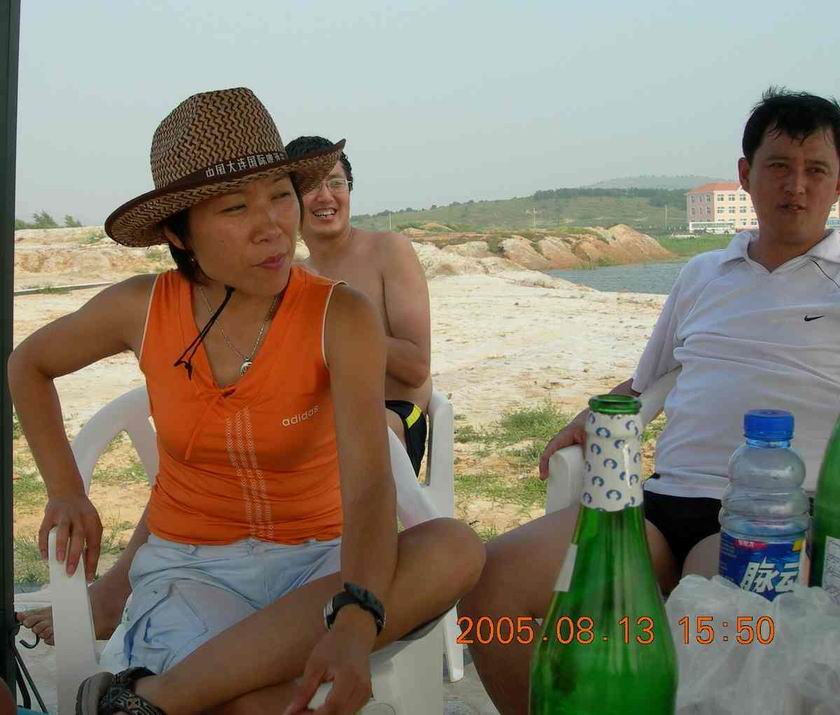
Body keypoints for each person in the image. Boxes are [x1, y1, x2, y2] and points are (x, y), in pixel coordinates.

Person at [9, 87, 484, 715]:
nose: (272, 227)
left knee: (455, 547)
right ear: (179, 232)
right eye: (236, 207)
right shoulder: (142, 308)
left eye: (281, 196)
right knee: (270, 705)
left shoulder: (340, 315)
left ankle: (144, 699)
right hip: (191, 568)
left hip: (321, 564)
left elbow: (370, 487)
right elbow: (28, 364)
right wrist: (66, 490)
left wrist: (356, 612)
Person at [459, 87, 840, 714]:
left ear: (837, 183)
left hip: (771, 516)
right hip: (657, 507)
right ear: (746, 175)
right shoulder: (702, 275)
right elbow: (645, 383)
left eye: (816, 169)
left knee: (714, 621)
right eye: (778, 165)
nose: (796, 186)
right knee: (491, 585)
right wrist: (589, 416)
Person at [286, 136, 432, 476]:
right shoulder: (291, 275)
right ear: (287, 198)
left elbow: (415, 367)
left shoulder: (389, 250)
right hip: (319, 417)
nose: (325, 196)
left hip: (392, 413)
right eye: (310, 185)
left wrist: (341, 327)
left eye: (336, 183)